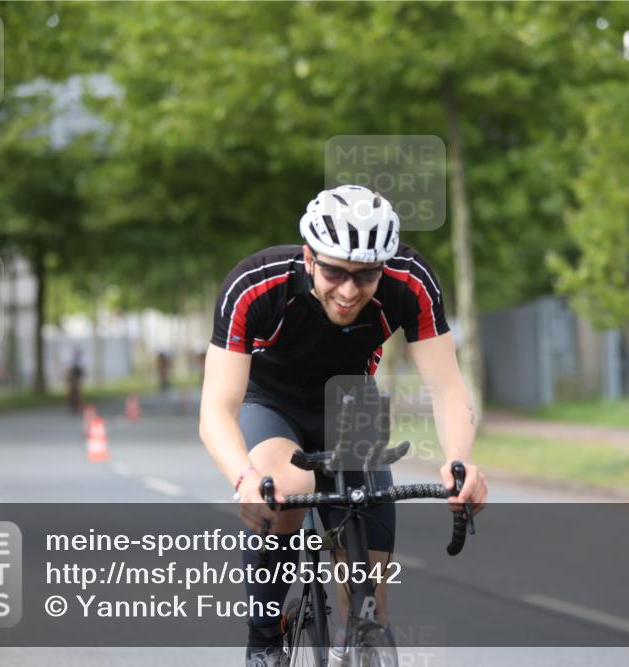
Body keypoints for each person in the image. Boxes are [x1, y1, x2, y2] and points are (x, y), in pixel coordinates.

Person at [198, 185, 488, 666]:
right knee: (286, 491)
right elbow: (216, 411)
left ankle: (354, 646)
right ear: (309, 257)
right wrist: (246, 480)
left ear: (383, 266)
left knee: (371, 599)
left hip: (350, 404)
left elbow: (447, 386)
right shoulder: (255, 284)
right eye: (334, 272)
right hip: (271, 402)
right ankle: (265, 638)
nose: (349, 291)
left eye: (366, 275)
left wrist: (460, 463)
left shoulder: (410, 280)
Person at [67, 350, 85, 414]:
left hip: (77, 377)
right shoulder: (72, 361)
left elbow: (82, 372)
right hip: (73, 377)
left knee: (78, 392)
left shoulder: (80, 361)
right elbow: (69, 371)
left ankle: (78, 405)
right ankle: (72, 405)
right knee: (72, 392)